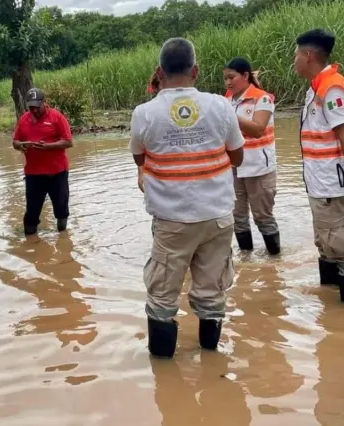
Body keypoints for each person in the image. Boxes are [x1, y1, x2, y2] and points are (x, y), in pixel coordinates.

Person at [129, 37, 244, 358]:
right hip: (218, 217)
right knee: (211, 292)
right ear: (195, 70)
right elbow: (237, 158)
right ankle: (212, 362)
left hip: (172, 221)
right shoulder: (220, 105)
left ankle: (164, 376)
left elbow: (140, 158)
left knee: (163, 297)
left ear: (159, 72)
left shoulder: (144, 113)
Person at [294, 28, 344, 301]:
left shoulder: (332, 87)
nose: (294, 61)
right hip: (320, 183)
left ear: (308, 55)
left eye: (296, 55)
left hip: (332, 185)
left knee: (340, 246)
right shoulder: (316, 87)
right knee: (327, 243)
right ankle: (329, 305)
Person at [223, 57, 281, 255]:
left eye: (232, 77)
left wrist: (229, 115)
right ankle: (246, 260)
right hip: (234, 169)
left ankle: (274, 260)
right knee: (237, 217)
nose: (228, 82)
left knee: (263, 217)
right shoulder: (227, 101)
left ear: (245, 76)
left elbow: (257, 129)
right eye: (225, 79)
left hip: (259, 168)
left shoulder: (262, 98)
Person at [12, 88, 73, 236]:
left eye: (36, 107)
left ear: (44, 103)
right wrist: (20, 145)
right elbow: (15, 141)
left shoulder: (57, 117)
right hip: (33, 174)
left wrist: (47, 147)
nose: (34, 110)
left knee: (61, 209)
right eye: (31, 107)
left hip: (57, 172)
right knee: (32, 212)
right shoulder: (24, 119)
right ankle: (31, 240)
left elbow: (68, 142)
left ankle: (63, 236)